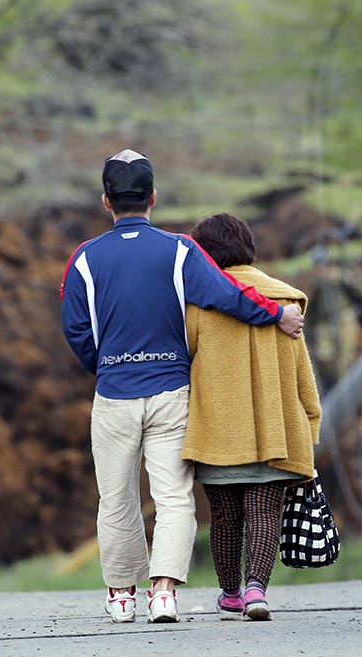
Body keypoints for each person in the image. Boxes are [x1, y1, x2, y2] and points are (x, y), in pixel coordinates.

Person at [60, 149, 305, 623]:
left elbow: (76, 329)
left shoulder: (84, 259)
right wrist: (278, 314)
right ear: (153, 197)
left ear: (105, 202)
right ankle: (164, 593)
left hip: (114, 393)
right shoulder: (181, 251)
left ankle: (120, 596)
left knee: (116, 497)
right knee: (173, 496)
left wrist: (106, 366)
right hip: (171, 391)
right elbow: (228, 296)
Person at [181, 213, 321, 621]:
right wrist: (310, 420)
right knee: (263, 512)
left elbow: (183, 362)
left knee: (225, 517)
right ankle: (257, 590)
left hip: (218, 430)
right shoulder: (285, 301)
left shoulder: (200, 304)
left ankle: (230, 595)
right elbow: (302, 373)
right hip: (277, 429)